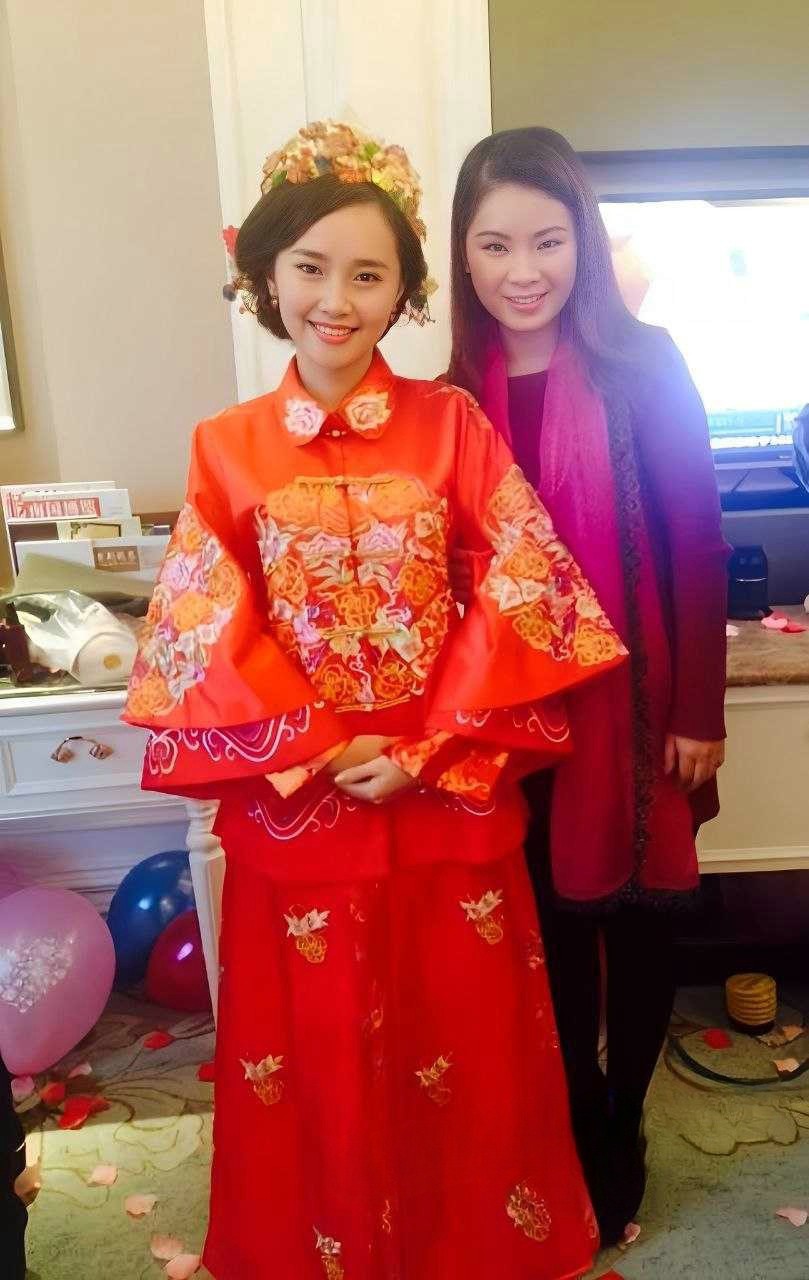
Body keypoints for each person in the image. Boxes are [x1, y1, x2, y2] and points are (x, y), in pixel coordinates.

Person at [123, 120, 626, 1280]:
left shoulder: (454, 427)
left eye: (367, 273)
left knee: (464, 1043)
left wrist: (428, 745)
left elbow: (523, 582)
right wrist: (311, 744)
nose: (336, 299)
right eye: (310, 267)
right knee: (316, 1054)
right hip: (299, 804)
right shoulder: (226, 447)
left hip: (442, 792)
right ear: (264, 272)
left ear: (404, 289)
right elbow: (204, 623)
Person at [447, 125, 729, 1245]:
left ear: (584, 241)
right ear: (462, 254)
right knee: (546, 923)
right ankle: (572, 1105)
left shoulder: (641, 362)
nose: (523, 270)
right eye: (494, 244)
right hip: (505, 716)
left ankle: (622, 1114)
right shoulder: (449, 395)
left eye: (548, 240)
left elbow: (696, 540)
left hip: (638, 696)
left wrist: (699, 711)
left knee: (641, 912)